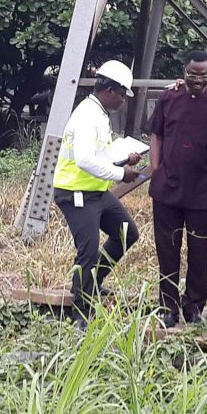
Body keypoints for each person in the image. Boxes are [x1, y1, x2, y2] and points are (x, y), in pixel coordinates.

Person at [147, 50, 207, 328]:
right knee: (167, 250)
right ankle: (168, 308)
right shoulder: (168, 98)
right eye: (193, 75)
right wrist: (156, 170)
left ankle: (194, 307)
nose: (198, 81)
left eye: (204, 76)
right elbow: (156, 135)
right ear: (184, 72)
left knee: (199, 252)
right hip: (167, 189)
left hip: (201, 191)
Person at [53, 60, 142, 328]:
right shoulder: (87, 116)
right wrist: (121, 174)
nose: (123, 101)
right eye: (123, 95)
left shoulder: (99, 113)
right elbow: (83, 160)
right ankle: (80, 312)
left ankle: (92, 284)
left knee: (127, 232)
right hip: (75, 192)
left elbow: (99, 154)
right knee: (88, 251)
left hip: (96, 191)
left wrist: (124, 157)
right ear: (111, 90)